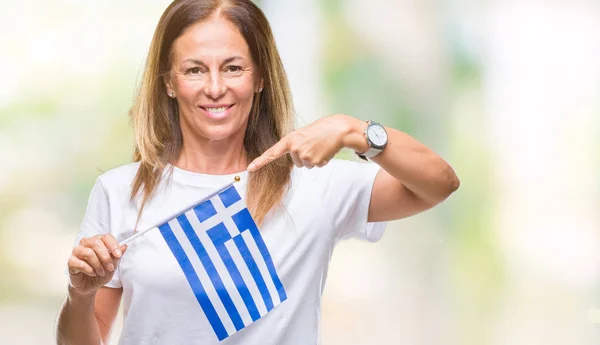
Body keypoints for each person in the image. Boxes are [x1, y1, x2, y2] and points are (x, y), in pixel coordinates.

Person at [55, 0, 459, 344]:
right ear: (169, 83)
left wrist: (353, 130)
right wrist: (80, 293)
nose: (215, 87)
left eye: (233, 68)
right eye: (195, 70)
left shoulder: (314, 183)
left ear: (261, 77)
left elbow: (439, 183)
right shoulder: (119, 191)